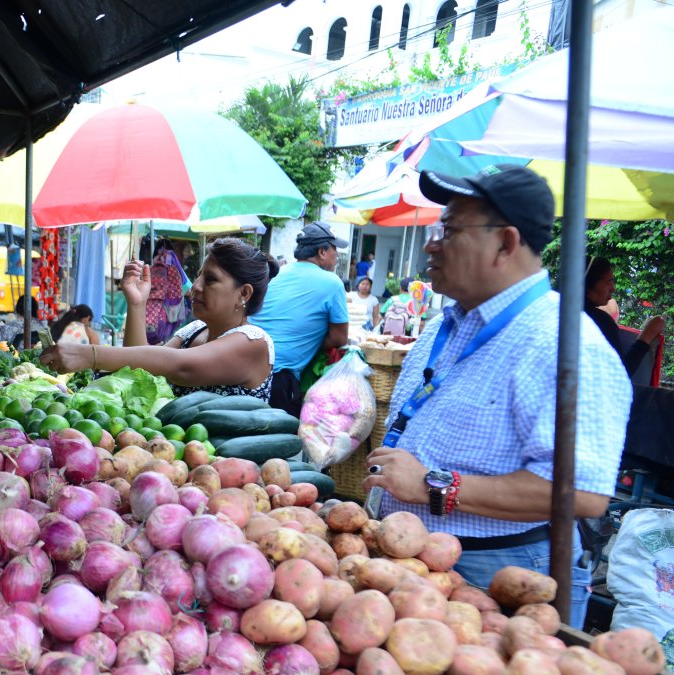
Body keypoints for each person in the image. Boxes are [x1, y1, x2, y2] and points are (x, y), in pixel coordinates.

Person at [362, 164, 632, 631]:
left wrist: (432, 485)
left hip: (499, 576)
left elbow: (584, 493)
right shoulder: (443, 327)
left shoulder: (566, 344)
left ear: (506, 243)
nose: (430, 245)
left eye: (448, 231)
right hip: (412, 561)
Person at [39, 238, 277, 399]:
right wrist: (137, 304)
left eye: (211, 279)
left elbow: (182, 367)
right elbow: (143, 370)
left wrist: (90, 355)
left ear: (244, 294)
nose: (195, 286)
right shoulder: (195, 330)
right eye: (198, 276)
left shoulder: (254, 342)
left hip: (228, 460)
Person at [250, 222, 349, 414]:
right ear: (322, 251)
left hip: (244, 363)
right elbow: (339, 338)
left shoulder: (278, 272)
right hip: (278, 377)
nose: (337, 254)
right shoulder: (333, 283)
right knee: (279, 433)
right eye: (334, 249)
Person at [583, 256, 666, 378]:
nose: (613, 288)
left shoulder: (558, 311)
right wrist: (647, 335)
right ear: (588, 285)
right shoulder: (599, 322)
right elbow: (620, 374)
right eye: (608, 281)